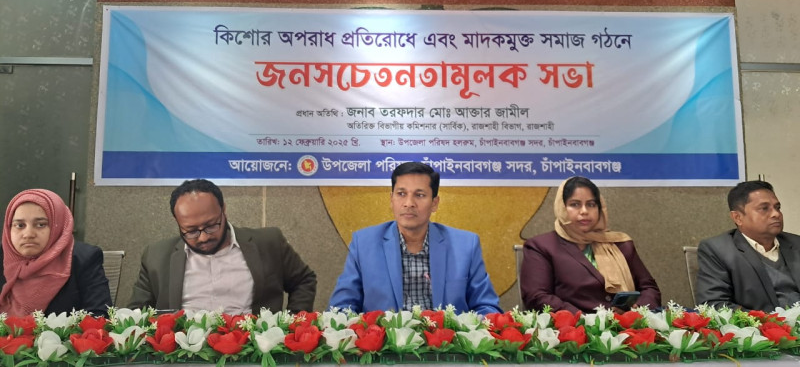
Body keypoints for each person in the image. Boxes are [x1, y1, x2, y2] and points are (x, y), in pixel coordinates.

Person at [329, 162, 501, 314]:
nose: (409, 203)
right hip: (385, 340)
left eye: (419, 195)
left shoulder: (465, 245)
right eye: (401, 194)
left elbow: (486, 306)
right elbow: (341, 308)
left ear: (434, 203)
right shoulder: (364, 243)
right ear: (391, 199)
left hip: (447, 339)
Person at [128, 179, 316, 314]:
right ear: (177, 222)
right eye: (191, 231)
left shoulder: (268, 243)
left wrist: (292, 327)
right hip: (183, 351)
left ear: (223, 210)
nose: (203, 237)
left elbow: (303, 280)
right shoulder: (156, 256)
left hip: (252, 349)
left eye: (211, 226)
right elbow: (136, 312)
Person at [520, 176, 660, 312]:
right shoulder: (541, 247)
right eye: (575, 204)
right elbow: (537, 296)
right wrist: (585, 319)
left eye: (591, 204)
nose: (584, 211)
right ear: (562, 208)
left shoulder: (620, 244)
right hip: (573, 326)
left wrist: (638, 309)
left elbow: (649, 288)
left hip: (626, 324)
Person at [0, 189, 112, 316]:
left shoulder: (84, 259)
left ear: (57, 226)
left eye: (40, 225)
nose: (28, 234)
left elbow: (99, 315)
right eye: (20, 225)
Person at [696, 180, 800, 311]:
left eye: (777, 207)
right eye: (764, 208)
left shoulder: (796, 243)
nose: (776, 214)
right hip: (761, 323)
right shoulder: (717, 250)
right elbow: (714, 303)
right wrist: (767, 321)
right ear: (738, 217)